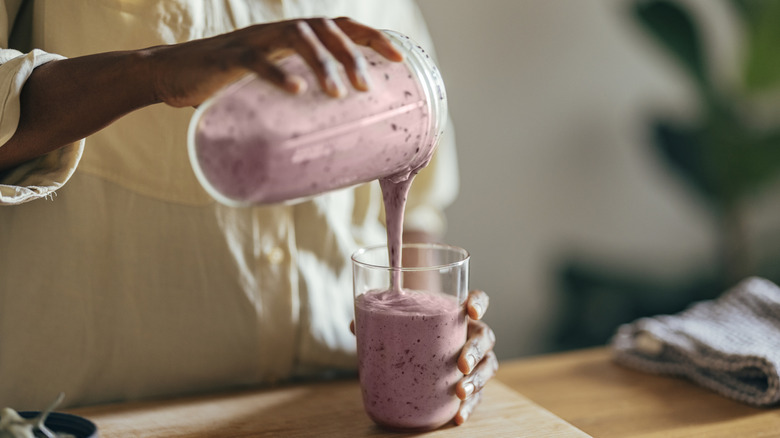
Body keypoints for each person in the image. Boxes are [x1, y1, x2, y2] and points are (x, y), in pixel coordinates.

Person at [0, 0, 497, 425]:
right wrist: (152, 71)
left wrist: (433, 352)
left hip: (332, 411)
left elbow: (419, 195)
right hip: (91, 419)